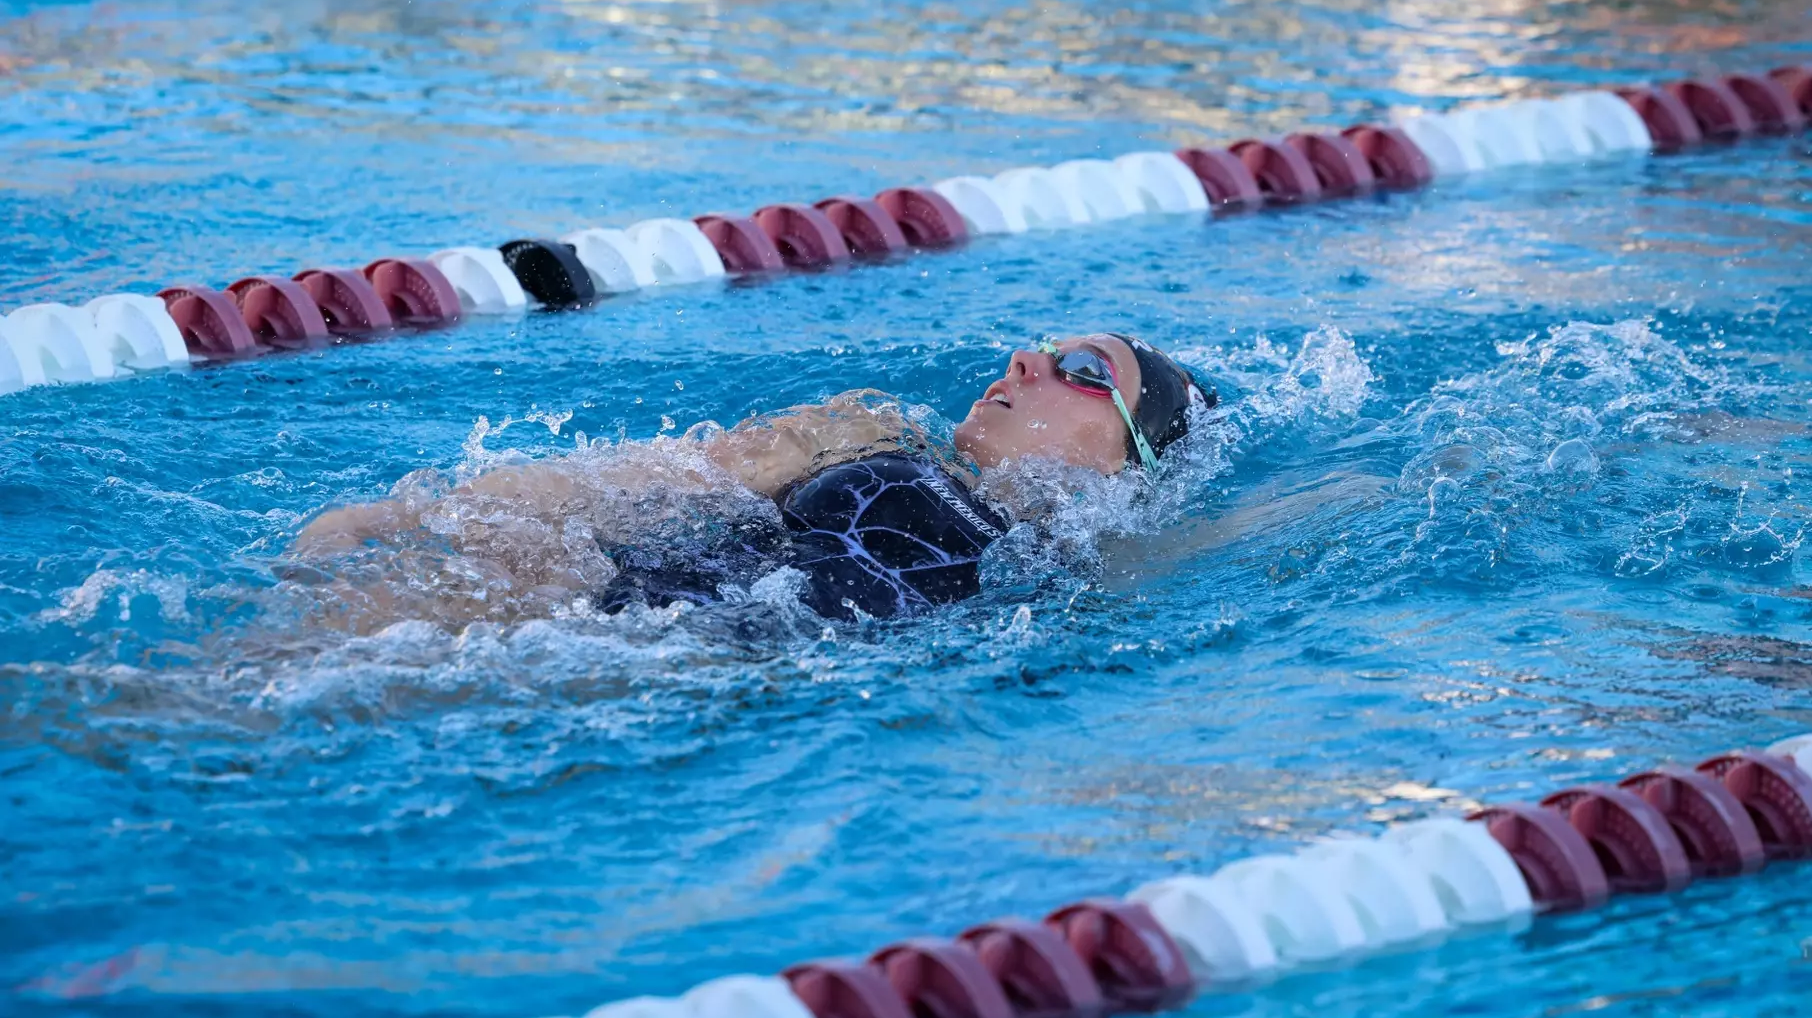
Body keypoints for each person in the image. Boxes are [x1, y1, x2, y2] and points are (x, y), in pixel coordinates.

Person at [294, 334, 1214, 621]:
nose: (1024, 364)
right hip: (603, 610)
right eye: (1039, 350)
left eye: (1084, 373)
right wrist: (414, 513)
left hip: (718, 687)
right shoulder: (868, 428)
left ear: (1124, 460)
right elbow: (647, 481)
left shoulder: (1089, 556)